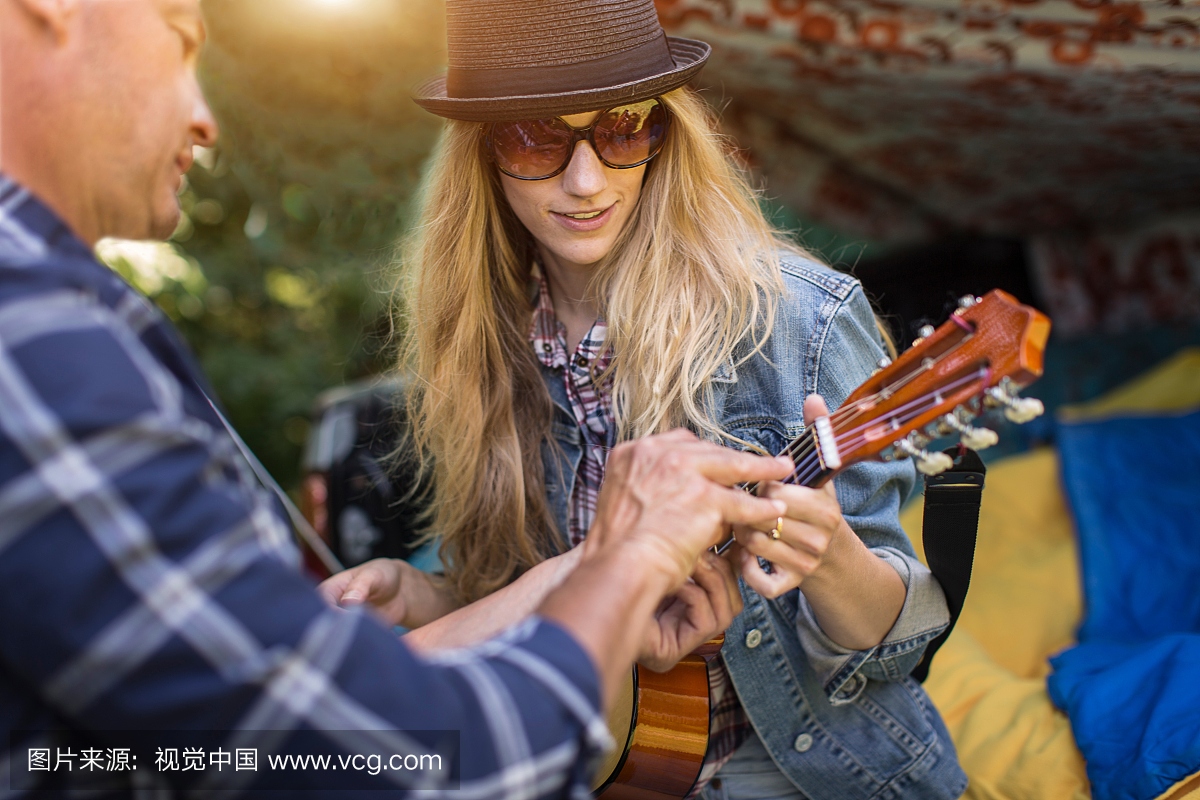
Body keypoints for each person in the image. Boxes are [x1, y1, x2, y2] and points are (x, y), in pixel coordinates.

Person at [0, 0, 797, 796]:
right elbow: (367, 756)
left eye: (623, 127)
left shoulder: (65, 319)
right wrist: (626, 564)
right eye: (180, 44)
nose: (206, 120)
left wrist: (538, 585)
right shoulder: (33, 331)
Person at [319, 1, 970, 798]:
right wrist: (426, 594)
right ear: (483, 158)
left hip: (821, 770)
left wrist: (831, 557)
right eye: (536, 140)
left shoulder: (803, 318)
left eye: (623, 129)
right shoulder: (485, 346)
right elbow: (523, 591)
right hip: (623, 765)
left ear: (664, 135)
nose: (586, 181)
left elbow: (902, 645)